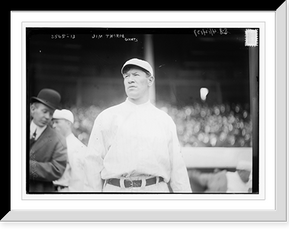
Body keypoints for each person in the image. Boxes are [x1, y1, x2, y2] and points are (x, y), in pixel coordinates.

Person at [88, 58, 192, 192]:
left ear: (150, 80)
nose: (130, 79)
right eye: (126, 76)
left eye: (136, 75)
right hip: (116, 192)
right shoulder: (107, 116)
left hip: (155, 191)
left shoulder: (164, 120)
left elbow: (177, 169)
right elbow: (92, 164)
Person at [29, 88, 68, 192]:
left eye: (51, 114)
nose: (47, 117)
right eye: (44, 111)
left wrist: (26, 166)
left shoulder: (58, 139)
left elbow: (57, 169)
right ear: (33, 109)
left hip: (40, 192)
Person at [52, 109, 92, 192]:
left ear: (68, 124)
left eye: (57, 122)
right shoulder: (55, 143)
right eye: (53, 122)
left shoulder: (76, 146)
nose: (54, 126)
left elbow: (78, 180)